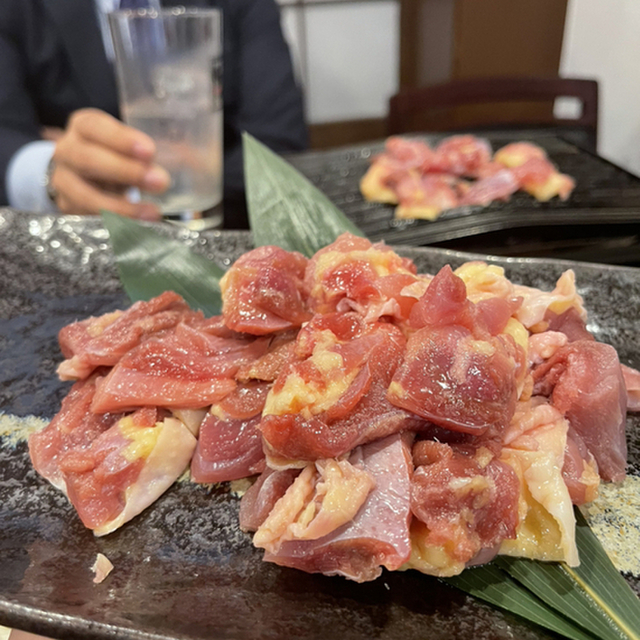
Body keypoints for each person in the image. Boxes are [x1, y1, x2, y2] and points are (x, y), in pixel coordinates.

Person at [0, 0, 308, 228]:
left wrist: (178, 181)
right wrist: (51, 170)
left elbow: (278, 145)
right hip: (72, 245)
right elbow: (7, 135)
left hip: (223, 233)